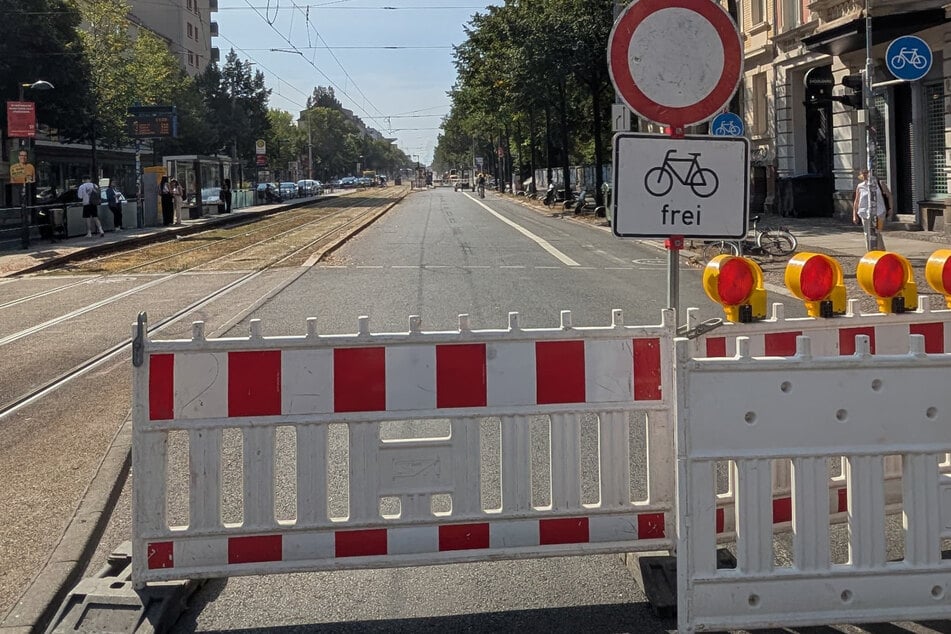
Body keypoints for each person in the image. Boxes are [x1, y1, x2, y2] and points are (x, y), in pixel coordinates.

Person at [852, 168, 890, 251]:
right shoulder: (860, 186)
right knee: (867, 233)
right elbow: (857, 201)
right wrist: (854, 215)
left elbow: (889, 196)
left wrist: (890, 208)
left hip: (879, 212)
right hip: (864, 212)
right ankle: (870, 251)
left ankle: (881, 250)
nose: (865, 175)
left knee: (877, 232)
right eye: (863, 173)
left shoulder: (880, 184)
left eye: (866, 173)